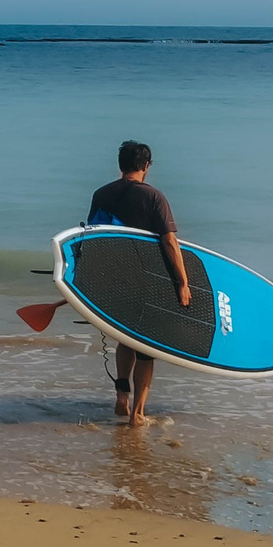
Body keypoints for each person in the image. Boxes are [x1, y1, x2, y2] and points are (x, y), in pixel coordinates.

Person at [87, 139, 190, 427]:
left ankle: (122, 395)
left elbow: (94, 236)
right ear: (146, 166)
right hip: (145, 280)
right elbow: (169, 241)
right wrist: (183, 282)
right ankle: (137, 414)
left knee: (125, 337)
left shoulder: (101, 194)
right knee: (146, 348)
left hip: (113, 279)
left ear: (121, 165)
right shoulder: (154, 197)